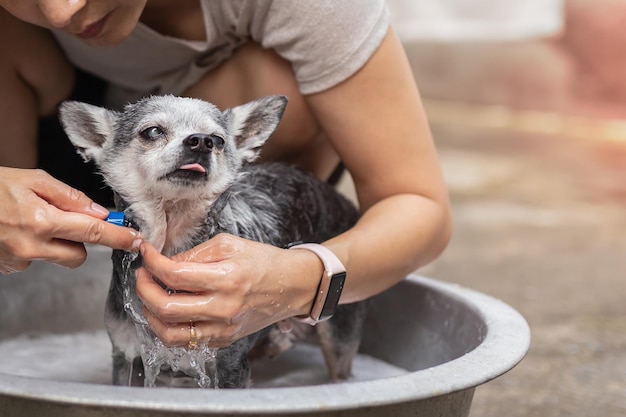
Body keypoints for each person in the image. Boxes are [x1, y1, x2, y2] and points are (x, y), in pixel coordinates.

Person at [0, 1, 452, 349]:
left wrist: (297, 281)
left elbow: (416, 204)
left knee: (282, 82)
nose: (61, 10)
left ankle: (249, 276)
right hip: (66, 149)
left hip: (227, 182)